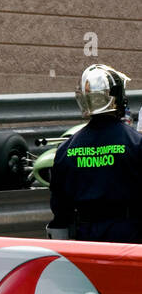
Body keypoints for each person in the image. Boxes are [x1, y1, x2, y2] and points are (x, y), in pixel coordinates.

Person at [48, 64, 142, 242]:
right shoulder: (136, 144)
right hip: (129, 238)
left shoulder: (66, 150)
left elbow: (60, 208)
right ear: (118, 96)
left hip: (87, 239)